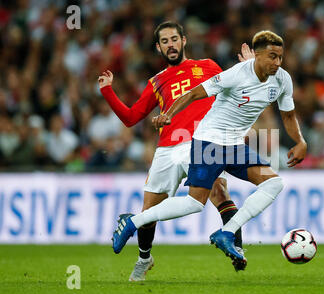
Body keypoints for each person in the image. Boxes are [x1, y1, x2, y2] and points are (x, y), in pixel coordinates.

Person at [111, 30, 307, 269]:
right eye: (272, 57)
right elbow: (194, 93)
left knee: (273, 182)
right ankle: (133, 222)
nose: (277, 62)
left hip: (234, 143)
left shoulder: (283, 79)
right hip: (209, 141)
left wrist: (300, 141)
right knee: (195, 203)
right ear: (257, 56)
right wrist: (168, 115)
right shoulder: (236, 74)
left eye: (280, 57)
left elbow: (288, 115)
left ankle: (227, 233)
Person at [98, 21, 254, 279]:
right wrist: (107, 91)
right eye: (165, 41)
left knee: (219, 191)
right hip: (168, 149)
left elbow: (237, 86)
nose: (171, 45)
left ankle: (236, 247)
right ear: (158, 48)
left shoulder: (208, 67)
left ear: (184, 41)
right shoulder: (156, 81)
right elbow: (131, 117)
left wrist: (249, 67)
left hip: (204, 141)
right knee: (149, 211)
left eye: (174, 39)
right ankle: (144, 259)